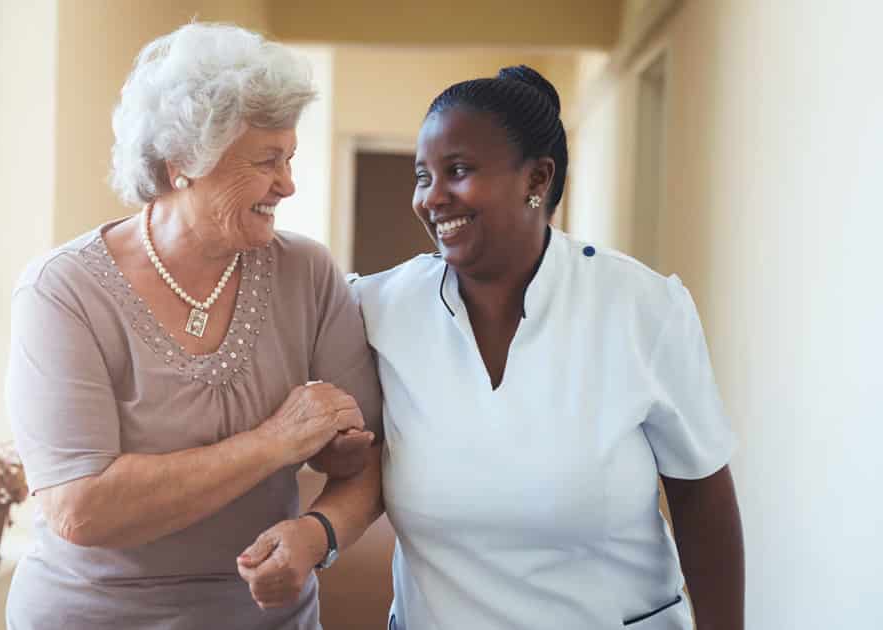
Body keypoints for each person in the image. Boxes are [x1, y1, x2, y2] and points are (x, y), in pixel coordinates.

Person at [240, 65, 745, 629]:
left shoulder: (641, 307)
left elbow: (702, 498)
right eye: (422, 176)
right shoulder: (376, 308)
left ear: (537, 179)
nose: (432, 199)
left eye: (457, 171)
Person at [4, 23, 382, 630]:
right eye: (266, 161)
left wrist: (319, 532)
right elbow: (83, 508)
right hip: (93, 616)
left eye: (289, 158)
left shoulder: (306, 272)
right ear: (183, 162)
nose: (288, 183)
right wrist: (275, 442)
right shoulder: (64, 290)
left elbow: (367, 460)